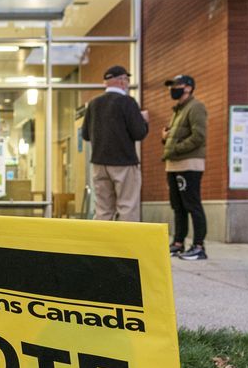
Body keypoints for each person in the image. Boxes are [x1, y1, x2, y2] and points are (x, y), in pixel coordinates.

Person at [81, 65, 149, 221]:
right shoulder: (128, 102)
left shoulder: (93, 104)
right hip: (123, 162)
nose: (127, 83)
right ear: (122, 81)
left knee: (103, 209)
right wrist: (144, 121)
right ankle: (125, 243)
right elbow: (139, 133)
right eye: (126, 79)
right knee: (127, 206)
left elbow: (85, 135)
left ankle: (102, 243)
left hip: (99, 163)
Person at [161, 75, 209, 260]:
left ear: (188, 88)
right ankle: (178, 242)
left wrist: (174, 148)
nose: (172, 89)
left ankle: (198, 245)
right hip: (173, 164)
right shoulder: (178, 110)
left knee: (192, 204)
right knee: (178, 206)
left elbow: (199, 136)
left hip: (189, 163)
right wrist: (166, 138)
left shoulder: (196, 107)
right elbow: (178, 135)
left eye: (176, 85)